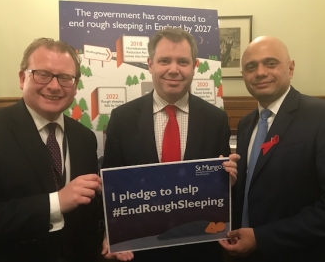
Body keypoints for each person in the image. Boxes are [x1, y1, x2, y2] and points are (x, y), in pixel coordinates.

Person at [100, 27, 239, 262]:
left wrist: (229, 181)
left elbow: (220, 185)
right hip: (139, 248)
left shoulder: (216, 119)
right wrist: (110, 233)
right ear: (150, 64)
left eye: (182, 62)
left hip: (199, 247)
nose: (173, 70)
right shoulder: (122, 118)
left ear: (194, 66)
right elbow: (110, 187)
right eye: (164, 60)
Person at [220, 36, 325, 261]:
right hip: (245, 253)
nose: (260, 72)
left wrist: (262, 238)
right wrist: (229, 183)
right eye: (251, 67)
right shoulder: (245, 123)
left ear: (290, 69)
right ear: (244, 76)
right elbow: (256, 186)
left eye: (271, 63)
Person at [0, 38, 103, 262]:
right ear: (23, 78)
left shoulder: (85, 138)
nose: (54, 86)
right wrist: (56, 202)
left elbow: (88, 212)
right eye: (42, 74)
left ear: (75, 86)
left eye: (65, 78)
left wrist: (108, 237)